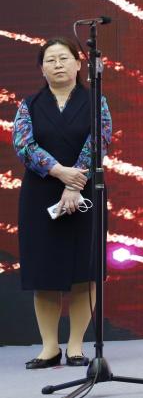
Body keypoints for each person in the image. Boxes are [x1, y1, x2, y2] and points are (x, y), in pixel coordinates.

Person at [13, 37, 109, 369]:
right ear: (41, 68)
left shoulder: (96, 101)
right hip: (40, 194)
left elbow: (99, 141)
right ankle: (49, 347)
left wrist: (74, 182)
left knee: (84, 271)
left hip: (86, 193)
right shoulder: (29, 105)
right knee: (44, 272)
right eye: (50, 60)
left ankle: (77, 346)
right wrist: (58, 172)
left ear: (79, 64)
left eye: (64, 58)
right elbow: (24, 145)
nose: (57, 64)